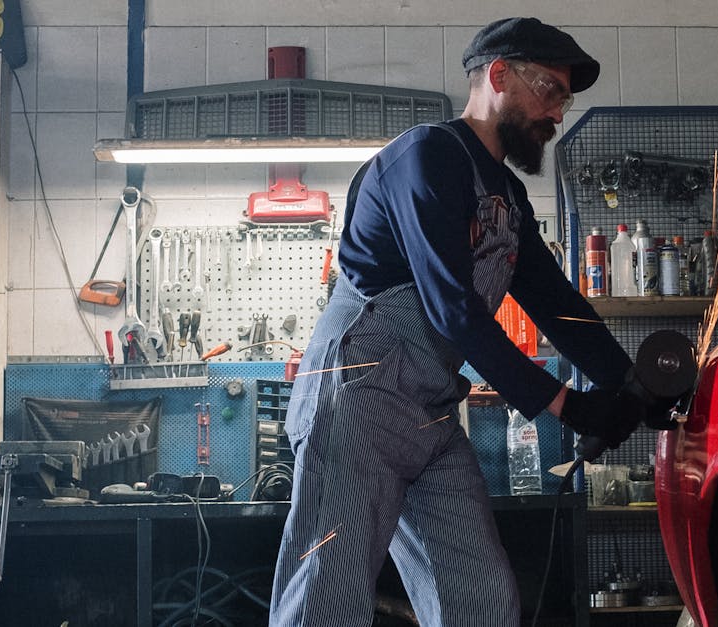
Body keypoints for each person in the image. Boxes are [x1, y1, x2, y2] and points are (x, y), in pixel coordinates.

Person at [270, 17, 666, 626]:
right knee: (327, 599)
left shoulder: (505, 195)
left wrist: (635, 384)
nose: (558, 114)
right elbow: (452, 308)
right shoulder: (426, 157)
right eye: (550, 92)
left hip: (428, 414)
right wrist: (567, 404)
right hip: (356, 400)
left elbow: (557, 305)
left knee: (480, 598)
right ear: (498, 74)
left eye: (564, 99)